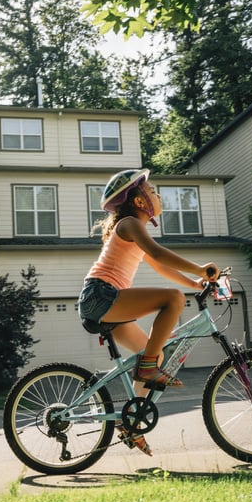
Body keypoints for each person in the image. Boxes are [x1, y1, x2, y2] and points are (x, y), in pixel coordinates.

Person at [78, 168, 218, 454]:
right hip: (101, 296)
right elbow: (157, 253)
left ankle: (131, 424)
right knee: (173, 300)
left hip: (105, 301)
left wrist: (196, 282)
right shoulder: (129, 223)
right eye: (153, 191)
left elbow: (160, 266)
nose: (158, 196)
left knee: (155, 352)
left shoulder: (134, 228)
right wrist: (200, 267)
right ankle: (148, 368)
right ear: (140, 201)